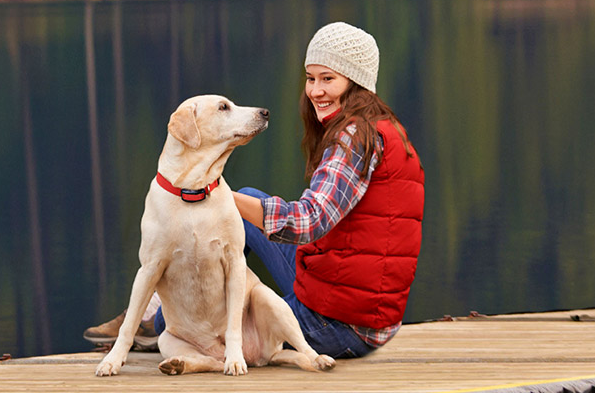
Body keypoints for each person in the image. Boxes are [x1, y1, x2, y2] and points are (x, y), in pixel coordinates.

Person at [83, 22, 424, 359]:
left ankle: (159, 322)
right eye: (311, 78)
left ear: (357, 83)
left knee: (233, 208)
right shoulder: (384, 129)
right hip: (358, 301)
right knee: (248, 201)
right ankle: (153, 309)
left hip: (340, 324)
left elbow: (308, 221)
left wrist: (217, 197)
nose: (315, 91)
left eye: (328, 79)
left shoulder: (353, 139)